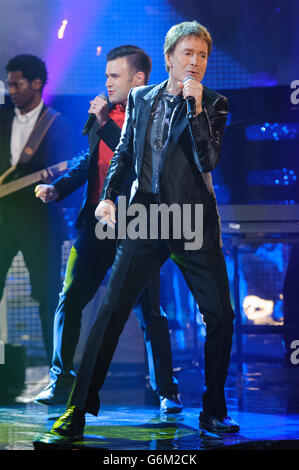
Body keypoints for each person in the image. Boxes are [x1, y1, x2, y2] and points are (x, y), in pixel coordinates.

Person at [48, 21, 239, 440]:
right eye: (187, 54)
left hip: (191, 220)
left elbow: (208, 160)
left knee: (221, 316)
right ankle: (75, 413)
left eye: (202, 55)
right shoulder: (140, 98)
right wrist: (107, 196)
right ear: (170, 58)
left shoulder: (215, 103)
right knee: (111, 310)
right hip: (145, 216)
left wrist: (196, 108)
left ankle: (213, 409)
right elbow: (125, 152)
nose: (195, 62)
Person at [33, 45, 182, 414]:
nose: (107, 83)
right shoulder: (104, 115)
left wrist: (104, 125)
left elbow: (137, 163)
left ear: (139, 79)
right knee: (70, 298)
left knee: (149, 311)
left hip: (136, 225)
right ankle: (61, 380)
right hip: (96, 224)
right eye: (106, 76)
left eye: (114, 76)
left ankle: (166, 391)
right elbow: (91, 160)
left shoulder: (156, 113)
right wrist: (61, 187)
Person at [0, 54, 74, 364]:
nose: (10, 90)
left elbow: (69, 178)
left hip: (40, 224)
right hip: (3, 222)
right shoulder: (2, 119)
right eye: (8, 84)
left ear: (37, 84)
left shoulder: (58, 126)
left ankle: (58, 373)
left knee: (48, 299)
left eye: (16, 84)